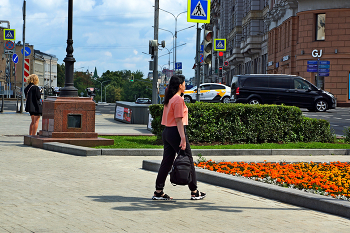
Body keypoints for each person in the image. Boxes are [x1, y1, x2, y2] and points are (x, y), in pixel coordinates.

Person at [152, 75, 206, 200]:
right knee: (188, 160)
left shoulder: (170, 99)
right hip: (176, 132)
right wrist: (182, 137)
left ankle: (158, 191)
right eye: (184, 83)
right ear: (180, 85)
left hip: (167, 132)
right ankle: (194, 191)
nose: (185, 85)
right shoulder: (178, 100)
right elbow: (178, 120)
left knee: (167, 162)